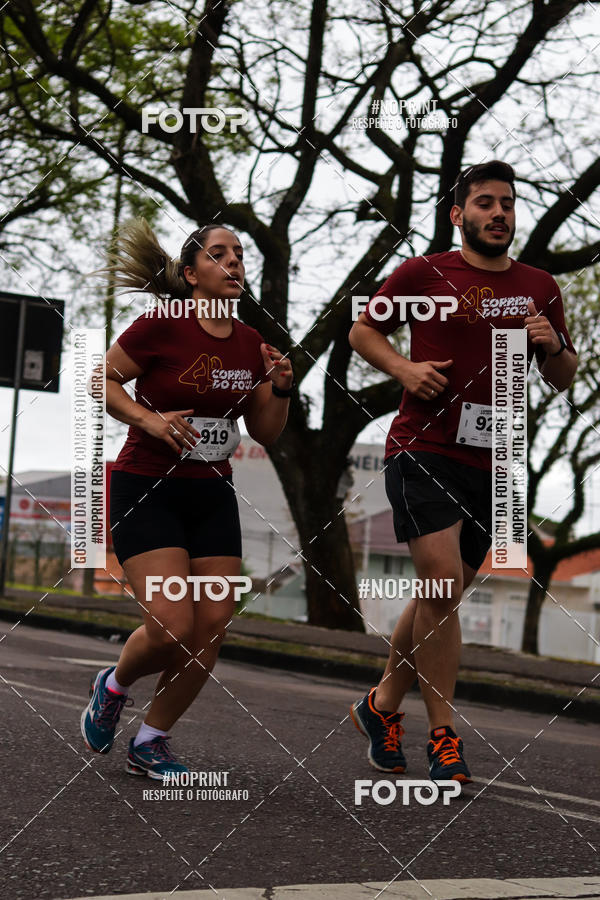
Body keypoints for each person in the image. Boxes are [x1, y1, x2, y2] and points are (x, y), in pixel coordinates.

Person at [348, 160, 577, 783]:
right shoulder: (425, 272)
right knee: (442, 584)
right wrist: (403, 369)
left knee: (437, 595)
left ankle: (381, 705)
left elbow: (563, 379)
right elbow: (362, 330)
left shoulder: (539, 285)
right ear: (458, 214)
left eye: (507, 203)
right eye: (484, 203)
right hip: (424, 447)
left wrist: (551, 345)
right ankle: (444, 735)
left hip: (496, 457)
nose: (498, 213)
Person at [81, 220, 293, 778]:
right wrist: (149, 420)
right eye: (219, 255)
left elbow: (267, 432)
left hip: (210, 494)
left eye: (240, 256)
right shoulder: (160, 325)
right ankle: (114, 684)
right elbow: (100, 381)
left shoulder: (251, 344)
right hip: (146, 489)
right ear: (192, 273)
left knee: (212, 624)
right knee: (174, 623)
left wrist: (282, 387)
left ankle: (151, 739)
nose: (233, 264)